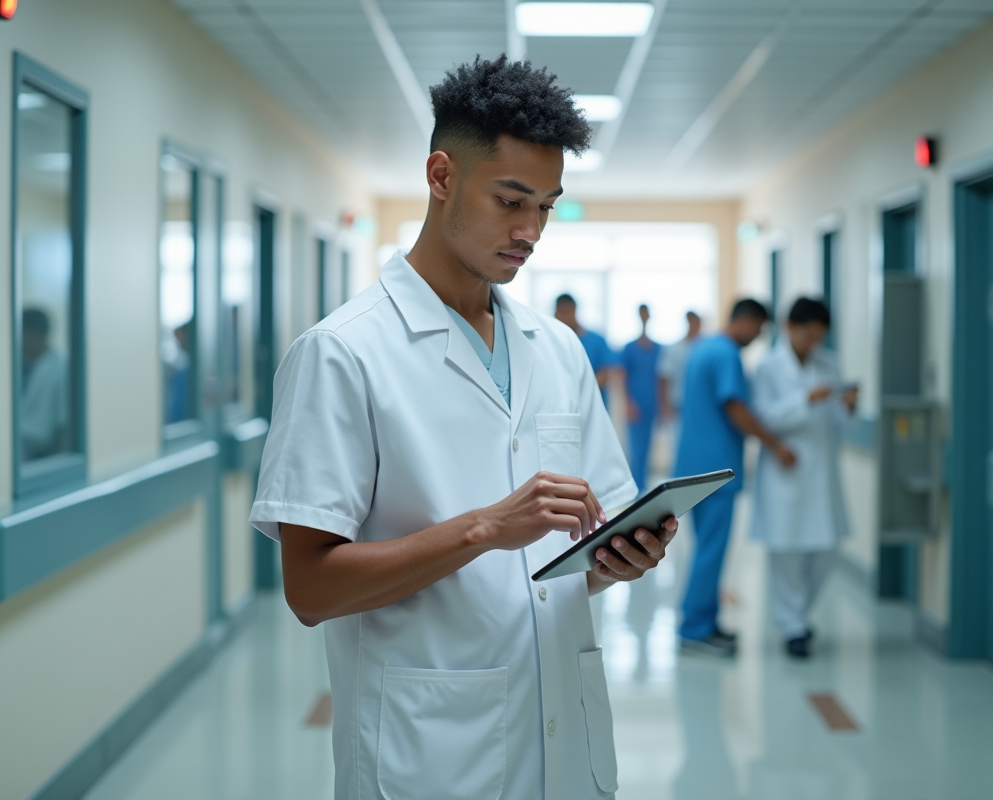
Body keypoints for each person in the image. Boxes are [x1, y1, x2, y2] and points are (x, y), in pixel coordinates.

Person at [250, 55, 677, 800]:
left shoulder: (557, 350)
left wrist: (620, 558)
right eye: (510, 200)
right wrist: (483, 529)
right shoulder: (343, 353)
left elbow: (582, 547)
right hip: (429, 756)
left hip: (563, 744)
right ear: (441, 176)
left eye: (546, 205)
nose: (531, 230)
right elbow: (310, 589)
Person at [675, 298, 796, 658]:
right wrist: (775, 445)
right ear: (745, 321)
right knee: (711, 550)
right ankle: (694, 630)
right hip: (715, 470)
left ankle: (705, 623)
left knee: (705, 548)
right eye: (758, 329)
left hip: (694, 466)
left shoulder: (704, 348)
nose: (757, 337)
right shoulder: (726, 354)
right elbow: (736, 409)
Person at [751, 297, 857, 658]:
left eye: (819, 337)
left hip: (821, 473)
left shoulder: (830, 363)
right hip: (785, 471)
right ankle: (792, 627)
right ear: (790, 328)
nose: (814, 344)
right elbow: (764, 418)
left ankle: (797, 615)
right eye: (808, 335)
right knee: (786, 553)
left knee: (827, 550)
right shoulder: (768, 368)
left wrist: (848, 406)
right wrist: (805, 399)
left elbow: (839, 423)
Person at [619, 304, 662, 493]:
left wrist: (662, 404)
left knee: (648, 446)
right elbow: (622, 376)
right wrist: (628, 403)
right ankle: (635, 487)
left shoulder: (658, 348)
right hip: (635, 404)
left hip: (651, 403)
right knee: (636, 447)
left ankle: (643, 486)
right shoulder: (629, 348)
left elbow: (662, 379)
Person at [19, 307, 70, 460]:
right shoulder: (28, 366)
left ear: (30, 335)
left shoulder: (61, 368)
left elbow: (61, 425)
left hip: (44, 455)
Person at [554, 293, 615, 406]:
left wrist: (580, 392)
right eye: (559, 313)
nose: (561, 317)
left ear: (574, 310)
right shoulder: (553, 343)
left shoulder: (597, 341)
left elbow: (605, 373)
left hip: (595, 405)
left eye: (565, 312)